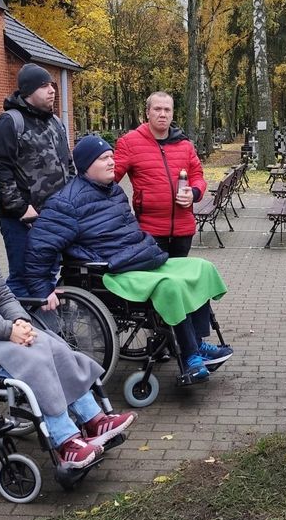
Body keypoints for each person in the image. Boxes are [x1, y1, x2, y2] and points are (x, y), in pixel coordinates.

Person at [0, 195, 136, 471]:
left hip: (0, 329)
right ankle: (66, 442)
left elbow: (4, 296)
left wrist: (20, 321)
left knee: (57, 348)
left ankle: (93, 420)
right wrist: (8, 330)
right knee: (35, 363)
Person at [23, 135, 233, 380]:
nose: (112, 162)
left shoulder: (113, 191)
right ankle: (190, 355)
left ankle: (196, 341)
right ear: (86, 165)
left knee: (200, 268)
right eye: (104, 158)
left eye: (112, 156)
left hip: (138, 259)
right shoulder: (66, 203)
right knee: (171, 285)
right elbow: (39, 246)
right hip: (112, 272)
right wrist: (41, 288)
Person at [0, 64, 75, 295]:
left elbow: (68, 164)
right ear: (27, 91)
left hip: (54, 216)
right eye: (43, 86)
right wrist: (20, 208)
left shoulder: (55, 122)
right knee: (23, 277)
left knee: (48, 274)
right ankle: (15, 324)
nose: (52, 90)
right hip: (22, 221)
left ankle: (44, 326)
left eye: (52, 85)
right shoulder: (8, 123)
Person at [114, 91, 207, 257]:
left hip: (183, 229)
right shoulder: (129, 143)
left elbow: (198, 176)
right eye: (157, 109)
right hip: (151, 229)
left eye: (167, 110)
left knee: (178, 279)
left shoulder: (184, 144)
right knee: (156, 280)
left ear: (172, 114)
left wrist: (194, 193)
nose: (162, 114)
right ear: (147, 112)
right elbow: (109, 179)